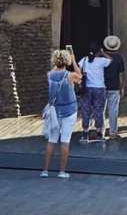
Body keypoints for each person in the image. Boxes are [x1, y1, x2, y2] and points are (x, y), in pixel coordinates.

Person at [42, 49, 82, 178]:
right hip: (69, 111)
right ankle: (62, 171)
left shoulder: (49, 75)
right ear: (67, 61)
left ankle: (46, 170)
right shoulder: (70, 76)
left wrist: (59, 61)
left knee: (52, 140)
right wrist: (73, 61)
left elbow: (55, 70)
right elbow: (80, 76)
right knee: (65, 140)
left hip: (54, 111)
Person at [79, 42, 112, 142]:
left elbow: (78, 70)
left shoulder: (84, 60)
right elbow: (111, 60)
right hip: (99, 88)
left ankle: (85, 134)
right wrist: (103, 53)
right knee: (98, 110)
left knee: (85, 110)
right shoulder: (102, 60)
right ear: (99, 51)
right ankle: (99, 134)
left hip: (87, 88)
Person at [101, 35, 126, 140]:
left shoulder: (101, 57)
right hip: (114, 86)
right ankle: (113, 133)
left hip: (102, 85)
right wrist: (122, 87)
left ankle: (101, 132)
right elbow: (121, 74)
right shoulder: (119, 58)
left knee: (101, 110)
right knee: (113, 110)